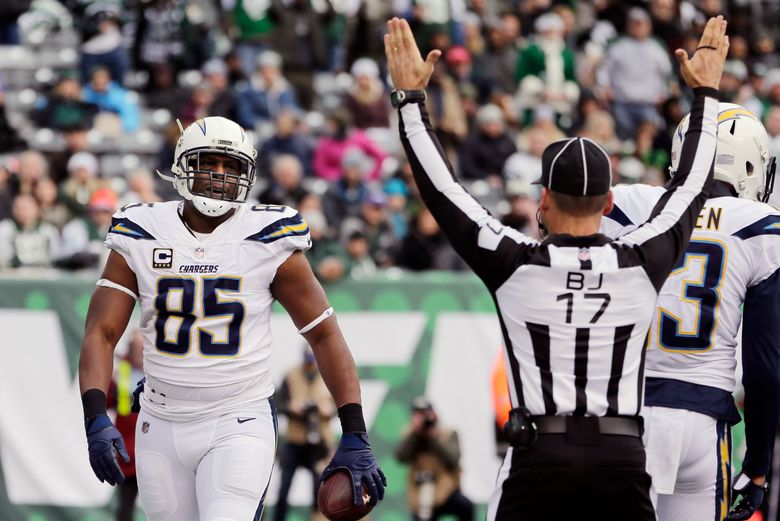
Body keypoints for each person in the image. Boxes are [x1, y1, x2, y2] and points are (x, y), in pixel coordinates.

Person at [385, 15, 727, 520]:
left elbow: (445, 194)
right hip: (621, 456)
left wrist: (411, 102)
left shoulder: (516, 264)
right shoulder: (642, 260)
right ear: (610, 201)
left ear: (543, 198)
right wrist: (706, 97)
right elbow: (691, 187)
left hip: (540, 455)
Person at [78, 116, 386, 520]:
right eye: (209, 162)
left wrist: (354, 430)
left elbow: (325, 335)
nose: (220, 176)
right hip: (160, 419)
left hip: (237, 418)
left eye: (232, 166)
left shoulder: (269, 238)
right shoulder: (142, 230)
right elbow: (101, 332)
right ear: (183, 165)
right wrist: (95, 417)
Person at [600, 103, 780, 521]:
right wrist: (756, 467)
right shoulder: (763, 228)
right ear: (751, 165)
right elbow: (765, 369)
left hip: (625, 414)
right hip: (701, 419)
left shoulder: (630, 204)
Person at [273, 347, 336, 521]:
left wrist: (327, 410)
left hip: (319, 442)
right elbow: (279, 403)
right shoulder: (291, 374)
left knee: (319, 488)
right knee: (284, 488)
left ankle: (317, 519)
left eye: (313, 359)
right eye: (308, 360)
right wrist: (292, 407)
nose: (310, 364)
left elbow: (338, 408)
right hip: (295, 439)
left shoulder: (328, 375)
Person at [396, 397, 474, 521]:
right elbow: (401, 457)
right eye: (418, 415)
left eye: (425, 414)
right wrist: (416, 434)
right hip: (421, 493)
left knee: (466, 507)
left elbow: (453, 460)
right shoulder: (410, 435)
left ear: (434, 414)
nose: (423, 419)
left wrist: (433, 437)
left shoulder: (447, 433)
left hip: (446, 489)